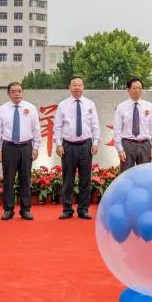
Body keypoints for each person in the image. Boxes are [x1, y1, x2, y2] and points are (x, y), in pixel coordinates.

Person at [53, 76, 100, 220]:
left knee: (85, 179)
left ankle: (83, 209)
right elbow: (58, 126)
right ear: (69, 87)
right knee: (68, 180)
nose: (77, 87)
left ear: (83, 87)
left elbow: (95, 125)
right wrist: (58, 144)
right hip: (68, 146)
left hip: (86, 145)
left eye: (80, 85)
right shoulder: (63, 105)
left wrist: (95, 143)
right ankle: (67, 209)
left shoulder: (90, 104)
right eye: (74, 85)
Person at [0, 82, 41, 220]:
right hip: (8, 147)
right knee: (8, 180)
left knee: (25, 179)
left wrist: (36, 148)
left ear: (22, 92)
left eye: (19, 91)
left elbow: (36, 130)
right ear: (9, 94)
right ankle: (8, 209)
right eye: (13, 91)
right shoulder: (2, 110)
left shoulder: (30, 108)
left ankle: (25, 209)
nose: (17, 94)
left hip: (26, 147)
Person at [113, 77, 152, 172]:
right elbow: (117, 129)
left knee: (145, 174)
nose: (137, 90)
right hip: (128, 145)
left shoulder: (149, 106)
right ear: (128, 90)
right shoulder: (121, 107)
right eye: (134, 88)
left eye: (139, 88)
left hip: (145, 145)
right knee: (126, 174)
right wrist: (119, 149)